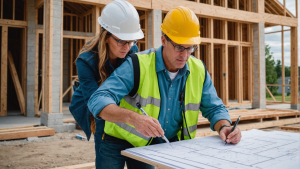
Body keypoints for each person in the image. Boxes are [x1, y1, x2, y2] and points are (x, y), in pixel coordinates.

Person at [88, 6, 242, 169]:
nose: (184, 54)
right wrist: (133, 118)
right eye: (178, 47)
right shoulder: (138, 64)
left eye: (190, 47)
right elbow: (97, 99)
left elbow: (214, 107)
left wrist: (225, 126)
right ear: (163, 40)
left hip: (150, 144)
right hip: (115, 141)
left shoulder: (198, 70)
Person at [68, 0, 144, 168]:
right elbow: (96, 105)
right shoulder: (86, 60)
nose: (127, 47)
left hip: (124, 106)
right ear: (106, 36)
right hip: (97, 109)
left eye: (131, 41)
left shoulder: (132, 51)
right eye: (121, 41)